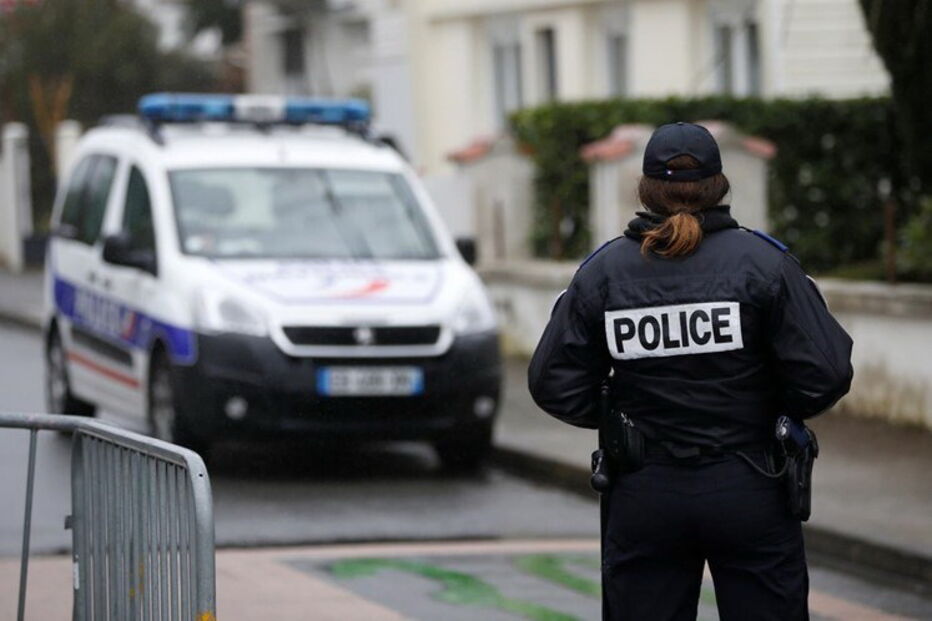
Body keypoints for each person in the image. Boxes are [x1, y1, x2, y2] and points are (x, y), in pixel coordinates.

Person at [527, 122, 853, 621]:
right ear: (719, 186)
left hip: (644, 490)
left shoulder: (604, 272)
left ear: (645, 190)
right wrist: (767, 407)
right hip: (750, 483)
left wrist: (619, 417)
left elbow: (552, 380)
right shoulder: (765, 265)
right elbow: (825, 372)